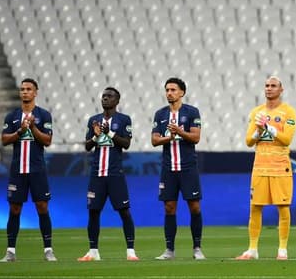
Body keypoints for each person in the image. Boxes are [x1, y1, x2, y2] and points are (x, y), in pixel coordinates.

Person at [236, 76, 296, 260]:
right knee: (255, 207)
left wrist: (268, 127)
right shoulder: (257, 111)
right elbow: (248, 141)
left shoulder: (289, 112)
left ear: (281, 89)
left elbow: (287, 139)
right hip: (260, 167)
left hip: (280, 167)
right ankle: (252, 249)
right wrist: (258, 130)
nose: (269, 89)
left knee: (283, 206)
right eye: (267, 86)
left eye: (273, 86)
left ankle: (282, 250)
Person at [77, 87, 138, 262]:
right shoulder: (93, 120)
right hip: (97, 173)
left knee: (124, 211)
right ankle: (93, 252)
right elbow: (87, 146)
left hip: (115, 173)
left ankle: (131, 252)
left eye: (109, 96)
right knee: (93, 212)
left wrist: (108, 133)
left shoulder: (124, 119)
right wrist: (96, 136)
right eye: (103, 96)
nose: (105, 98)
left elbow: (126, 144)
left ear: (117, 101)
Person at [0, 78, 56, 262]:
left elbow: (47, 140)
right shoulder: (12, 116)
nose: (24, 92)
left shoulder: (44, 115)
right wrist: (19, 132)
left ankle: (48, 250)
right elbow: (4, 140)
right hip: (17, 169)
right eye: (22, 89)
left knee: (42, 207)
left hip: (37, 168)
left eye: (28, 89)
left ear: (35, 92)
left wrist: (32, 127)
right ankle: (10, 252)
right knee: (14, 208)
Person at [151, 77, 205, 260]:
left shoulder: (191, 112)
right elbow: (155, 140)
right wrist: (170, 137)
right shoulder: (160, 114)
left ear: (182, 92)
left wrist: (179, 132)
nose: (169, 93)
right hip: (168, 168)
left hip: (188, 167)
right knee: (169, 207)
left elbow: (196, 138)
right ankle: (169, 250)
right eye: (167, 90)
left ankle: (197, 248)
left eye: (173, 90)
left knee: (195, 207)